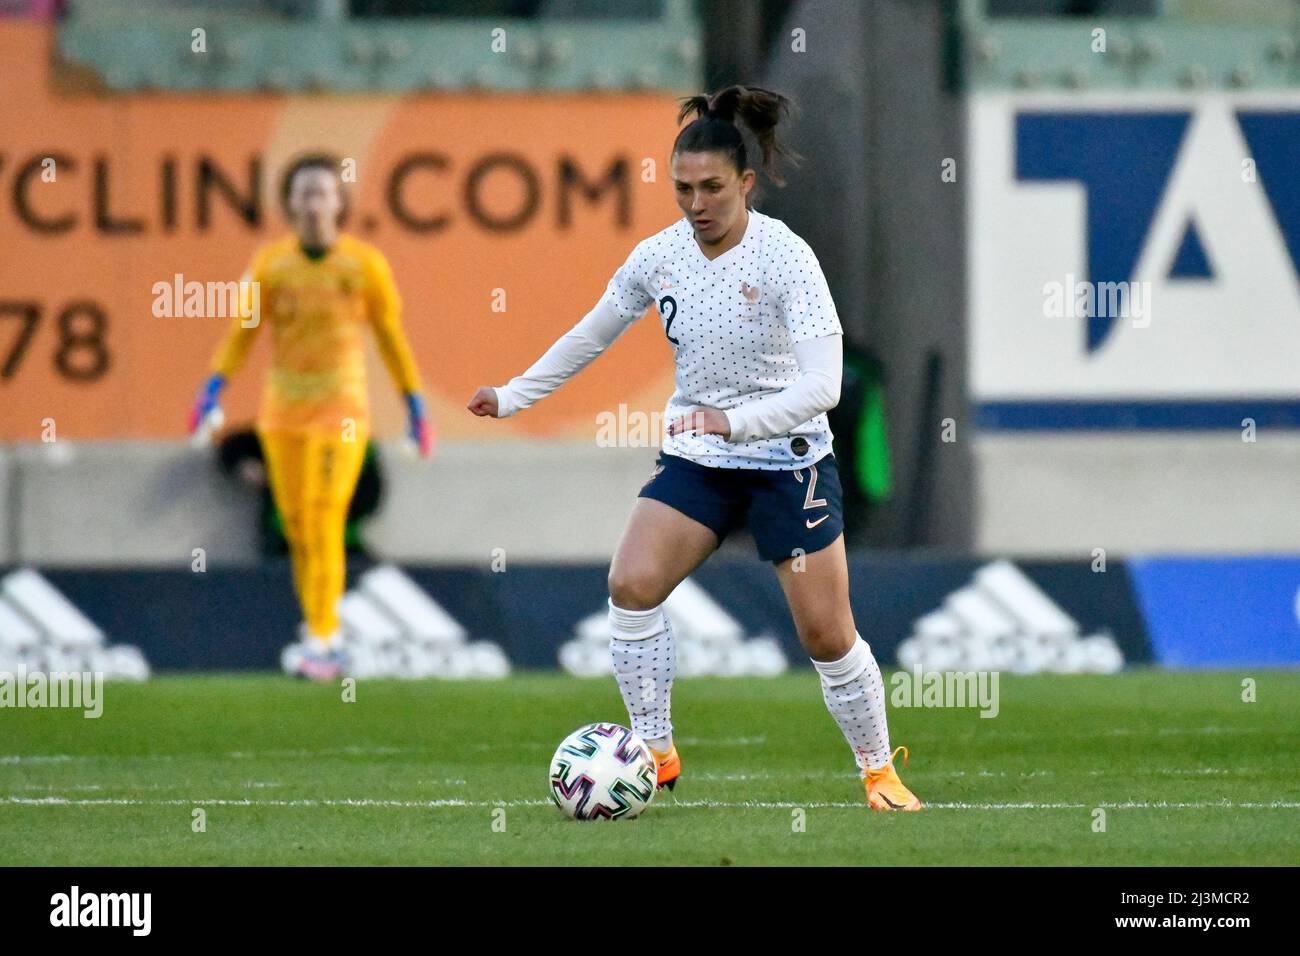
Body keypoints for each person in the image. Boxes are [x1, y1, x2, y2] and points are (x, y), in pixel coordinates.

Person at [467, 86, 921, 810]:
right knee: (631, 584)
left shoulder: (787, 258)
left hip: (788, 462)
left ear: (745, 183)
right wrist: (514, 393)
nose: (696, 203)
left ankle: (878, 770)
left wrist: (735, 423)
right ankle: (654, 749)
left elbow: (825, 387)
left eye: (711, 187)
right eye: (682, 188)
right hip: (703, 461)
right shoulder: (660, 256)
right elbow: (593, 332)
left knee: (827, 634)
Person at [189, 153, 432, 681]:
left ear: (339, 202)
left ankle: (325, 638)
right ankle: (318, 629)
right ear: (291, 204)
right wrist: (212, 388)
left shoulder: (364, 266)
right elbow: (241, 335)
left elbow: (391, 338)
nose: (315, 202)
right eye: (304, 193)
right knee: (298, 526)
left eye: (323, 192)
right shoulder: (272, 265)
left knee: (325, 514)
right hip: (283, 414)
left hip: (342, 410)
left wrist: (414, 403)